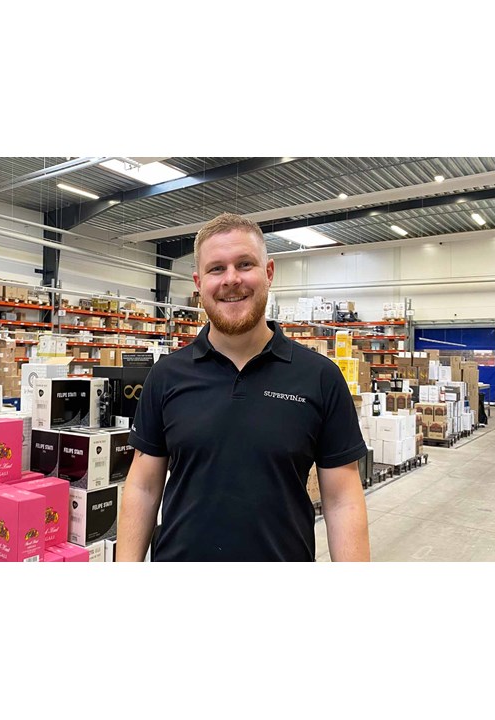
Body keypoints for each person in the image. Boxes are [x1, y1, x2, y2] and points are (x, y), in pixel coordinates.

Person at [116, 212, 370, 562]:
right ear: (198, 282)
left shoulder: (320, 377)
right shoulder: (166, 376)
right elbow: (143, 488)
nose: (231, 279)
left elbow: (343, 500)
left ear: (268, 273)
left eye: (244, 264)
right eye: (216, 268)